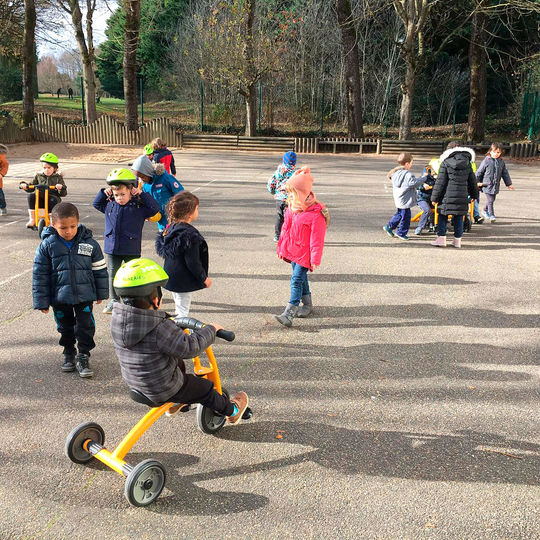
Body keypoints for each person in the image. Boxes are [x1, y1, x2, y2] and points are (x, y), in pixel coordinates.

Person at [110, 258, 249, 422]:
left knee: (174, 362)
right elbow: (189, 347)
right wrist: (211, 330)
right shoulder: (159, 328)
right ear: (156, 300)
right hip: (163, 389)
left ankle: (177, 402)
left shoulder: (119, 321)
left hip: (137, 384)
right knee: (205, 389)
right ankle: (231, 411)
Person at [32, 202, 108, 377]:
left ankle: (83, 354)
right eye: (63, 228)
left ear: (78, 222)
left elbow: (99, 269)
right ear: (53, 225)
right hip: (60, 297)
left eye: (72, 226)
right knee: (65, 327)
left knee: (85, 326)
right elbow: (39, 275)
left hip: (85, 295)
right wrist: (41, 301)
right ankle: (68, 352)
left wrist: (101, 292)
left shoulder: (90, 244)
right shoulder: (47, 245)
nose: (68, 231)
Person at [93, 168, 162, 314]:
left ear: (131, 191)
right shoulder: (110, 205)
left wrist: (142, 194)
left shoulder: (138, 207)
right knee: (113, 273)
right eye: (116, 195)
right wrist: (103, 192)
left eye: (123, 194)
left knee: (133, 275)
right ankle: (114, 301)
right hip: (112, 247)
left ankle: (132, 301)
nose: (119, 198)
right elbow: (96, 204)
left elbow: (155, 208)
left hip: (131, 247)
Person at [275, 166, 329, 327]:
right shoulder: (292, 207)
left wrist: (315, 259)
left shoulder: (315, 214)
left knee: (296, 280)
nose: (289, 196)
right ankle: (307, 304)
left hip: (304, 254)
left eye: (292, 193)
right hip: (292, 250)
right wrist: (281, 248)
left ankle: (288, 313)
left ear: (302, 193)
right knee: (301, 278)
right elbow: (285, 230)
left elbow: (317, 239)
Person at [155, 192, 210, 321]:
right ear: (189, 213)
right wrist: (203, 278)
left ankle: (180, 327)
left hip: (171, 276)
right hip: (183, 279)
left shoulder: (170, 228)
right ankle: (181, 332)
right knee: (182, 309)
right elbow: (193, 262)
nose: (198, 211)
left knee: (179, 304)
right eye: (197, 208)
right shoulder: (189, 235)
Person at [431, 142, 479, 248]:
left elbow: (440, 182)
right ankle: (457, 240)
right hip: (462, 195)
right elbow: (472, 181)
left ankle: (441, 239)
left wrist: (434, 198)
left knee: (442, 216)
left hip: (446, 196)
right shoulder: (468, 163)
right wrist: (474, 195)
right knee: (459, 217)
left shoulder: (445, 163)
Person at [131, 155, 184, 231]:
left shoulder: (166, 178)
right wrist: (148, 214)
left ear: (148, 171)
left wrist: (177, 210)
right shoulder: (144, 185)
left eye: (142, 176)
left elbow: (181, 194)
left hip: (175, 221)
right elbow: (146, 202)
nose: (141, 179)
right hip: (161, 223)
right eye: (138, 177)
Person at [383, 153, 426, 240]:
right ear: (407, 163)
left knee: (399, 214)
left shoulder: (396, 173)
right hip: (405, 200)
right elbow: (414, 183)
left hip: (399, 198)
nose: (411, 165)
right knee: (406, 217)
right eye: (411, 163)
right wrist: (424, 178)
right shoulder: (407, 174)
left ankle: (390, 226)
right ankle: (401, 232)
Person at [20, 153, 67, 229]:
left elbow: (63, 193)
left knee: (52, 200)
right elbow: (31, 186)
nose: (46, 170)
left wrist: (61, 188)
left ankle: (52, 221)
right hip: (40, 198)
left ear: (54, 168)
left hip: (52, 199)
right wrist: (25, 186)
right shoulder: (38, 176)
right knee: (31, 196)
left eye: (49, 168)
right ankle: (33, 219)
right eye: (44, 168)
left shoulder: (58, 178)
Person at [476, 142, 514, 222]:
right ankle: (492, 215)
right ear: (490, 151)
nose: (496, 154)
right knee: (490, 201)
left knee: (492, 200)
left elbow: (505, 173)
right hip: (486, 184)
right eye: (494, 152)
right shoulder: (486, 161)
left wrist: (509, 184)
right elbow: (479, 172)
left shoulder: (501, 162)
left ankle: (484, 210)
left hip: (495, 185)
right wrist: (476, 182)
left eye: (498, 152)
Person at [267, 151, 297, 242]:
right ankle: (290, 236)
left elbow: (271, 183)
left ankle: (277, 235)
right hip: (290, 199)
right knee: (290, 217)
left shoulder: (278, 172)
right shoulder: (295, 174)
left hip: (280, 198)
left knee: (280, 217)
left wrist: (273, 192)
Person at [414, 163, 436, 235]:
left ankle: (433, 224)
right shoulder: (425, 177)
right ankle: (420, 227)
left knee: (438, 209)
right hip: (422, 198)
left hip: (432, 199)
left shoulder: (439, 179)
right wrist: (423, 186)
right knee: (427, 210)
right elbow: (417, 184)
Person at [0, 144, 9, 215]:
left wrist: (1, 174)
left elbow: (5, 165)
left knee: (0, 197)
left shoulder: (1, 156)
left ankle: (3, 207)